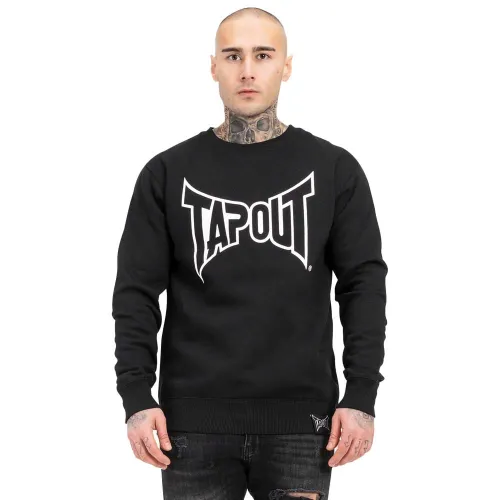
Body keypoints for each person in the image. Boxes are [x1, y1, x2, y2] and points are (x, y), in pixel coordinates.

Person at [112, 7, 388, 500]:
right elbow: (135, 292)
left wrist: (362, 395)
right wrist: (136, 396)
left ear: (286, 65)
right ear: (213, 66)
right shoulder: (167, 172)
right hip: (190, 425)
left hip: (302, 425)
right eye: (233, 55)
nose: (247, 70)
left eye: (263, 55)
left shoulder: (333, 169)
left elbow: (362, 285)